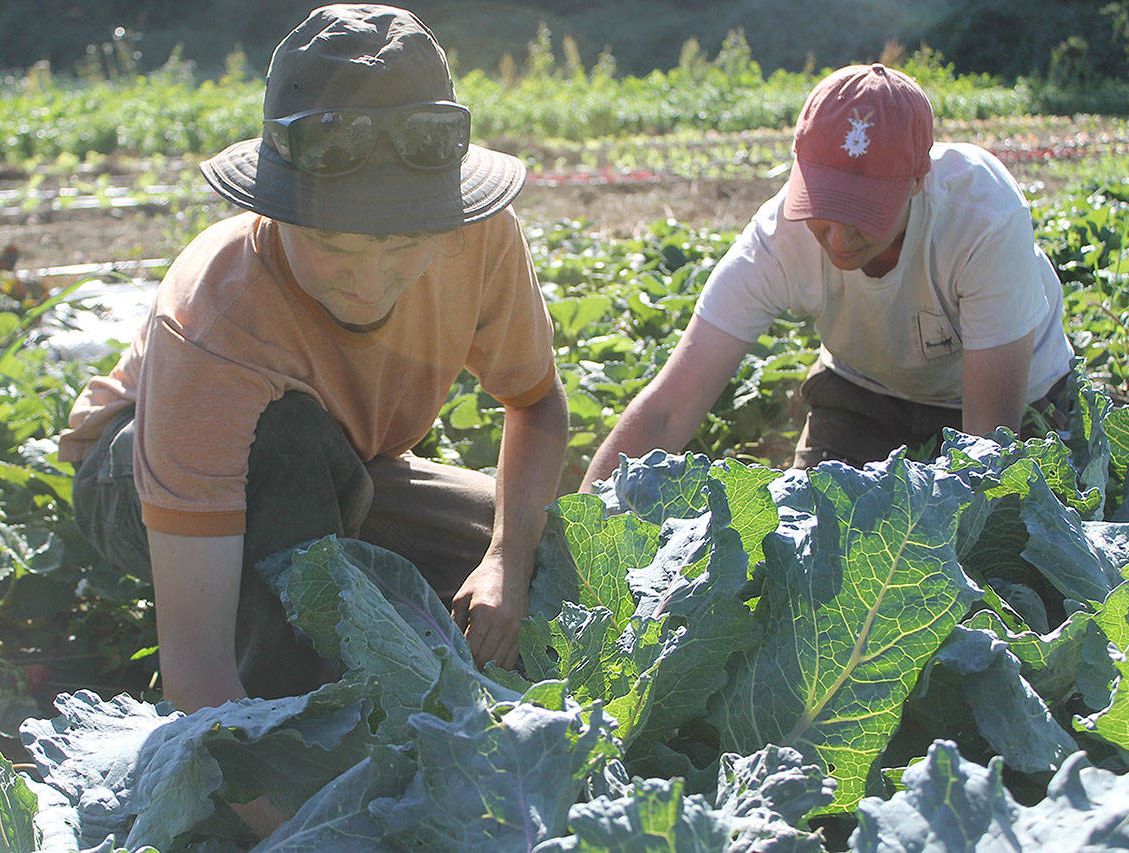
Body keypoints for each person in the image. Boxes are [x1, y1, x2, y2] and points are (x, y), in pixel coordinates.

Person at [59, 4, 567, 723]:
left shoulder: (475, 236)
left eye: (402, 246)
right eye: (337, 242)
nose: (370, 278)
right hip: (132, 465)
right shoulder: (216, 319)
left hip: (349, 467)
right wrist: (307, 808)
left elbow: (537, 401)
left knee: (554, 551)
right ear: (278, 207)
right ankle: (294, 702)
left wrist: (507, 561)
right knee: (288, 447)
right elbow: (194, 664)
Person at [581, 63, 1073, 489]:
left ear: (917, 181)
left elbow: (988, 445)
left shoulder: (982, 215)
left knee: (1000, 553)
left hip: (1013, 399)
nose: (838, 239)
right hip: (865, 393)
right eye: (824, 206)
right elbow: (669, 406)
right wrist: (578, 532)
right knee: (808, 543)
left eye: (864, 212)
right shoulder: (778, 238)